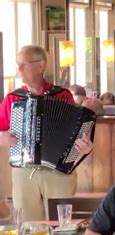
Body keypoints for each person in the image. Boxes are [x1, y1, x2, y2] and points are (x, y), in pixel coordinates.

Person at [0, 45, 93, 221]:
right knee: (27, 225)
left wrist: (85, 146)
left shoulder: (62, 95)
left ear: (41, 65)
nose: (18, 69)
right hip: (24, 171)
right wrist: (1, 137)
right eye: (18, 64)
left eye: (23, 64)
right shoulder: (13, 99)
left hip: (58, 170)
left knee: (60, 224)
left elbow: (75, 132)